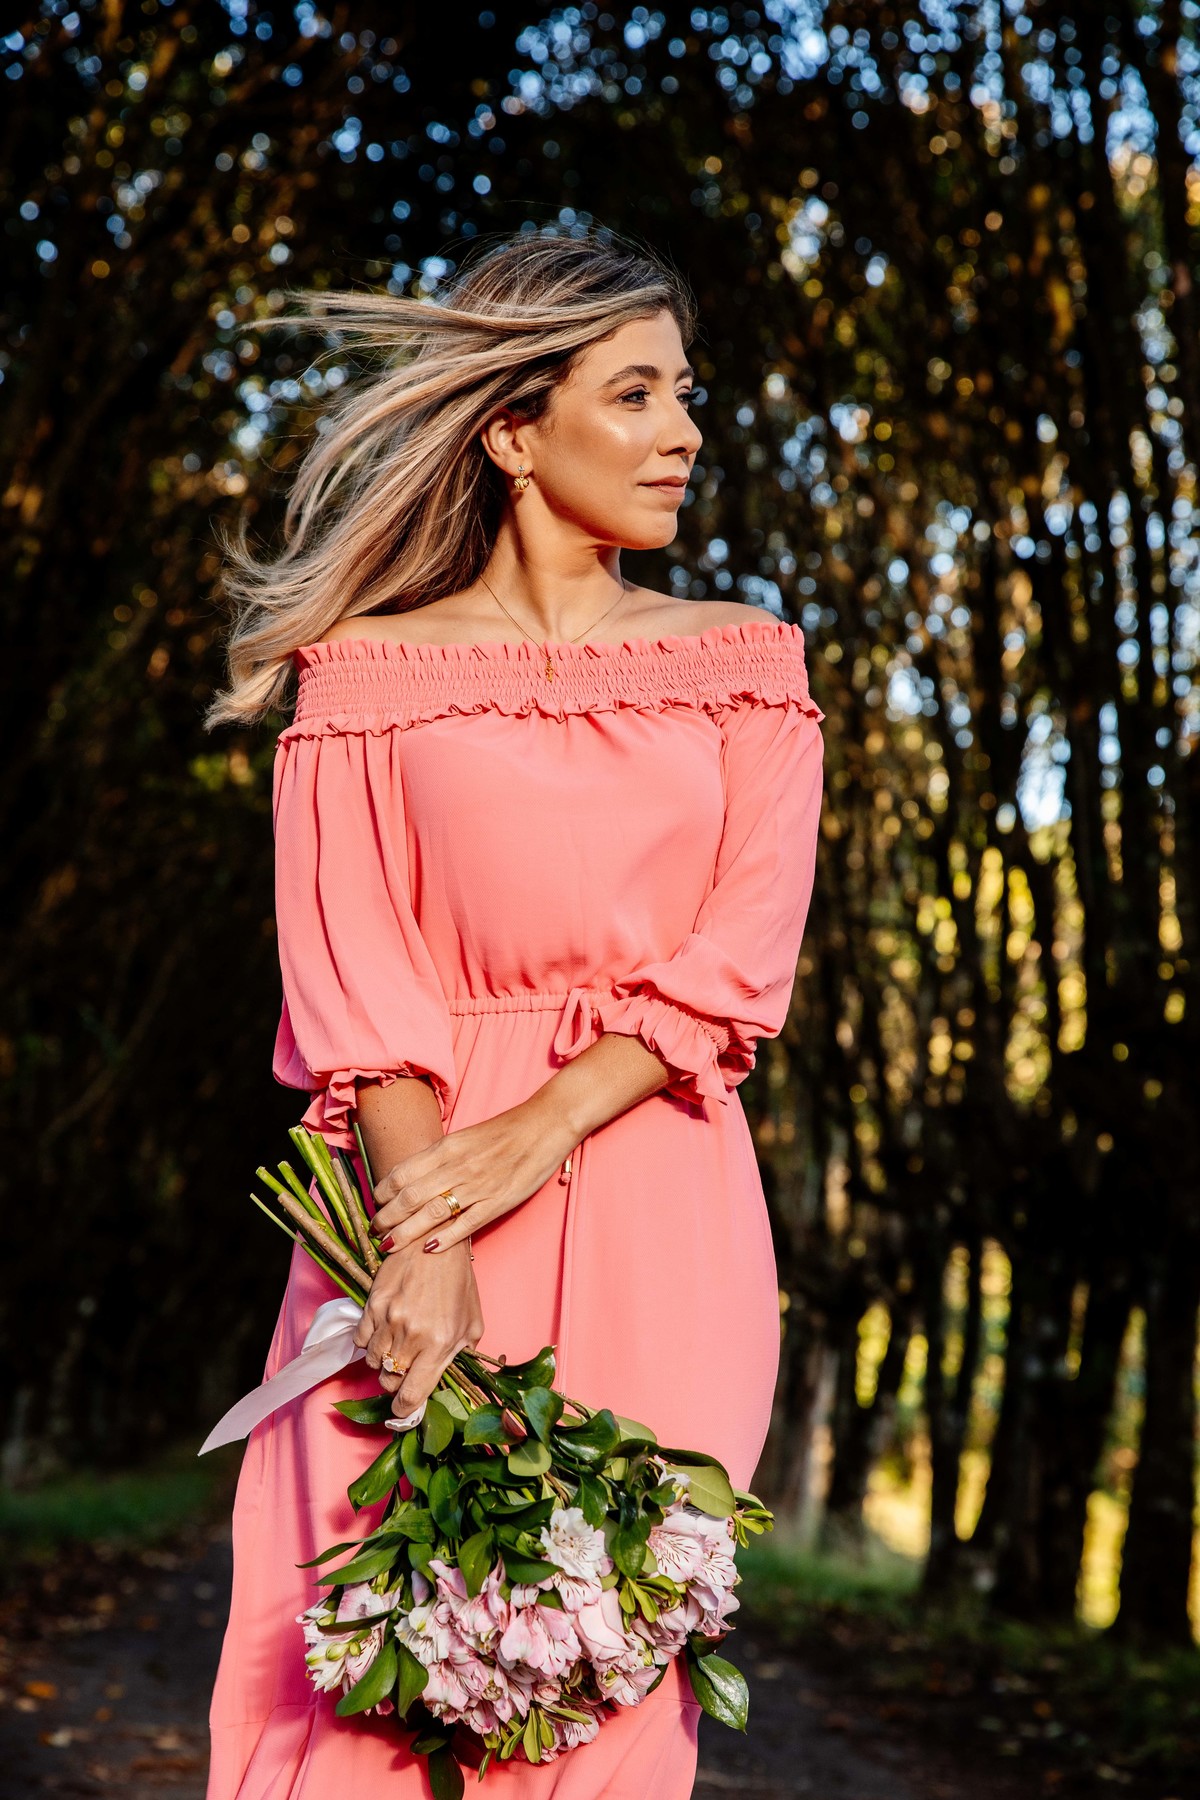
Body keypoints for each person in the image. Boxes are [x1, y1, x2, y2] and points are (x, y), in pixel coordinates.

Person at [203, 227, 825, 1798]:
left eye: (686, 393)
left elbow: (740, 960)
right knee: (359, 1681)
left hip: (656, 1195)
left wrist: (542, 1125)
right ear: (512, 429)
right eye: (635, 394)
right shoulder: (357, 678)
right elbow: (360, 981)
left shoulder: (747, 666)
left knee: (595, 1681)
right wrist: (427, 1238)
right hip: (405, 1192)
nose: (686, 431)